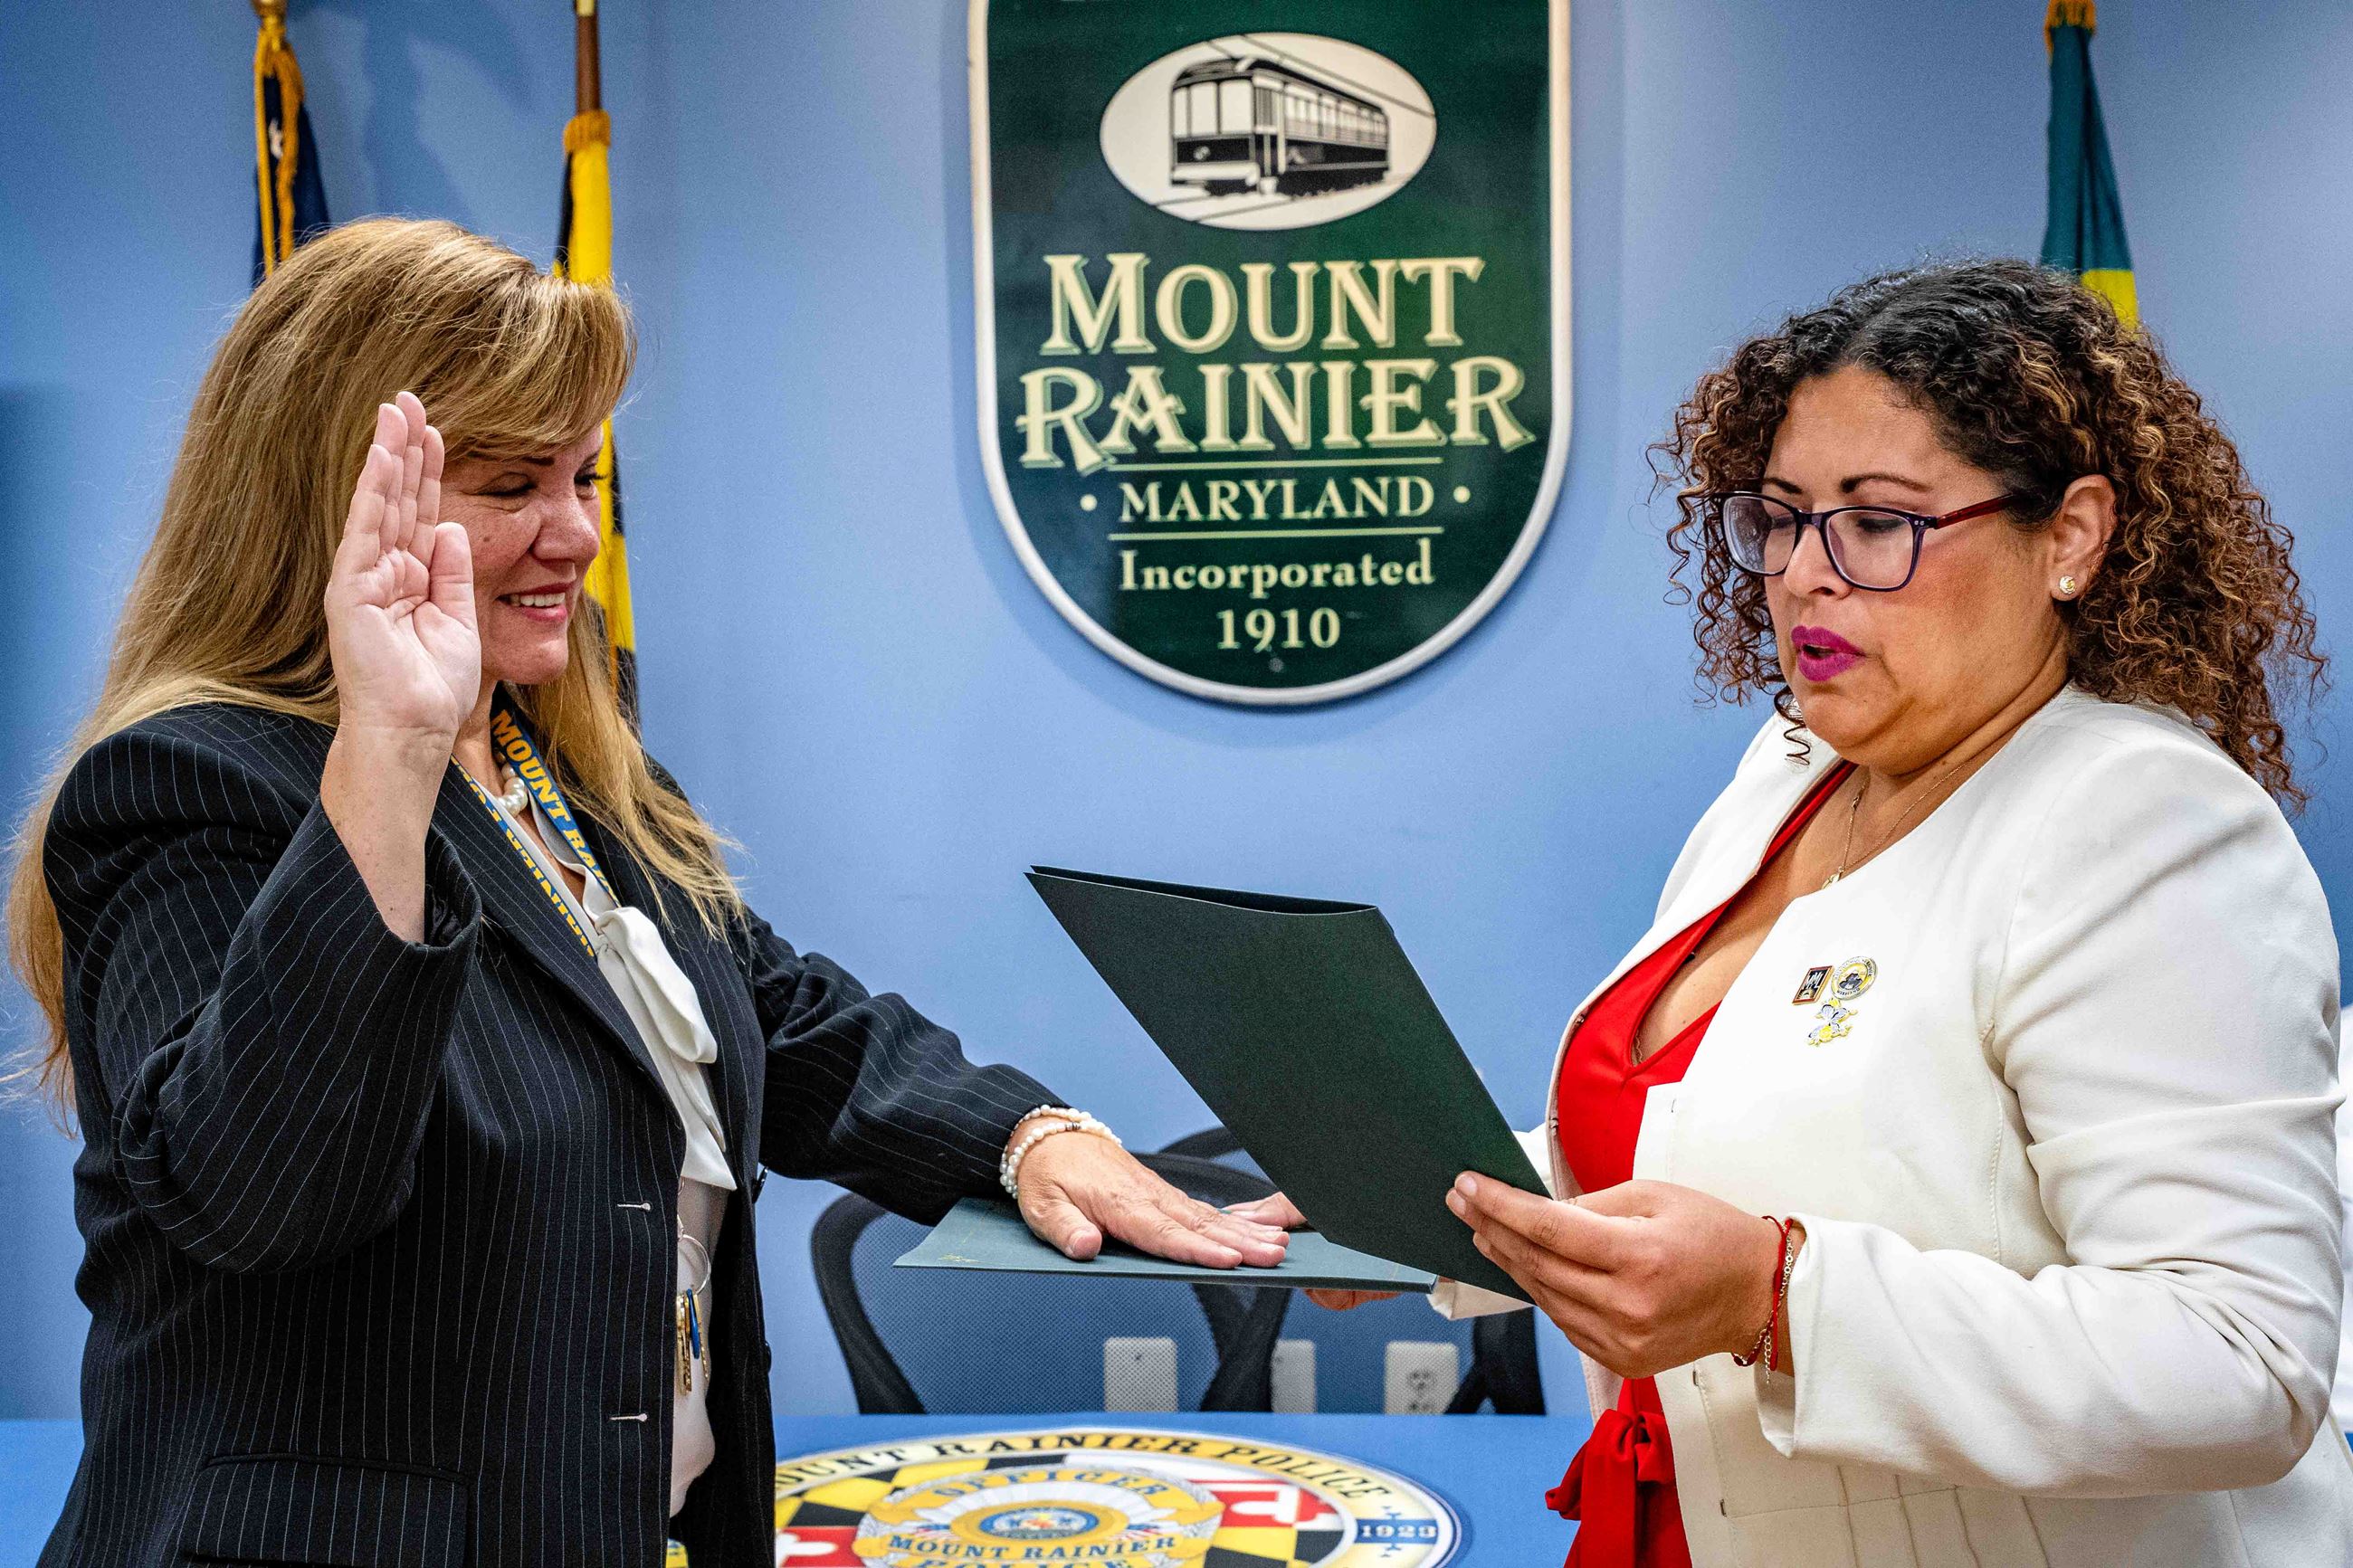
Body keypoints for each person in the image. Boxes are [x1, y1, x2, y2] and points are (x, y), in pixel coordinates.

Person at [11, 217, 1288, 1568]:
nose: (575, 532)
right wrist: (387, 749)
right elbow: (265, 1196)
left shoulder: (554, 756)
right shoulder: (188, 787)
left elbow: (772, 1009)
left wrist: (1029, 1136)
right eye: (512, 482)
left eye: (585, 473)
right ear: (334, 506)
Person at [1234, 260, 2351, 1565]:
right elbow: (1714, 1132)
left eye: (1879, 523)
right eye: (1781, 517)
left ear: (2073, 535)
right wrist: (1442, 1206)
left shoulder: (2146, 823)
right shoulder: (1793, 769)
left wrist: (1777, 1299)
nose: (1804, 577)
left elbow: (2242, 1362)